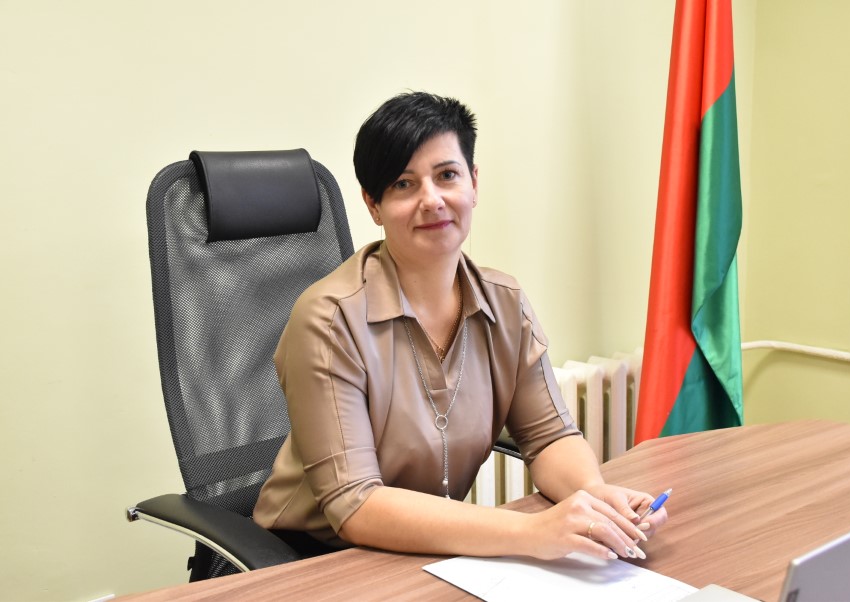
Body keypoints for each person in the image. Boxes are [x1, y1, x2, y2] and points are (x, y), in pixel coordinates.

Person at [253, 91, 667, 562]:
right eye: (404, 184)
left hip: (426, 552)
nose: (432, 200)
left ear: (473, 183)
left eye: (446, 175)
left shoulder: (505, 302)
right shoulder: (329, 319)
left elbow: (551, 437)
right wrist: (532, 531)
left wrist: (594, 498)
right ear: (373, 205)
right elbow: (355, 505)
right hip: (308, 559)